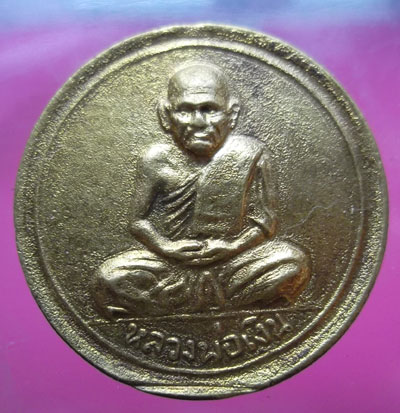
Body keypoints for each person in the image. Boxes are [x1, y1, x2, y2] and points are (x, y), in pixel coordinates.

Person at [93, 63, 310, 318]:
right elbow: (138, 222)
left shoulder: (252, 154)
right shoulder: (155, 159)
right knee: (109, 277)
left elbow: (265, 223)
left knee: (293, 261)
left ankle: (178, 303)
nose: (198, 122)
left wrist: (232, 248)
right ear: (166, 115)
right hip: (171, 267)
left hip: (233, 265)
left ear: (232, 114)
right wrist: (167, 248)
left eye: (209, 110)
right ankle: (223, 301)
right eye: (186, 111)